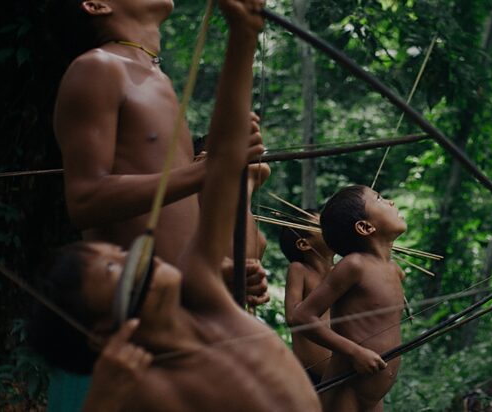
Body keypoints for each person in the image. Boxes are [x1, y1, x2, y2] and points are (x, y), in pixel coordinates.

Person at [30, 0, 320, 410]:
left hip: (191, 306)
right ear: (96, 4)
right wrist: (209, 170)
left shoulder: (157, 78)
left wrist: (221, 268)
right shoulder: (97, 67)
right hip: (140, 332)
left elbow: (184, 211)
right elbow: (85, 199)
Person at [292, 185, 407, 411]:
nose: (391, 202)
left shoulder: (394, 270)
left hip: (373, 393)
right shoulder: (354, 265)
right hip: (347, 388)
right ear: (365, 227)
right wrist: (355, 352)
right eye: (380, 198)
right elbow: (302, 317)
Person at [280, 210, 335, 384]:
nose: (332, 228)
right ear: (304, 244)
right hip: (308, 373)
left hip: (341, 370)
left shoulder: (341, 272)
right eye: (322, 225)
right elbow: (292, 317)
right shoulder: (299, 269)